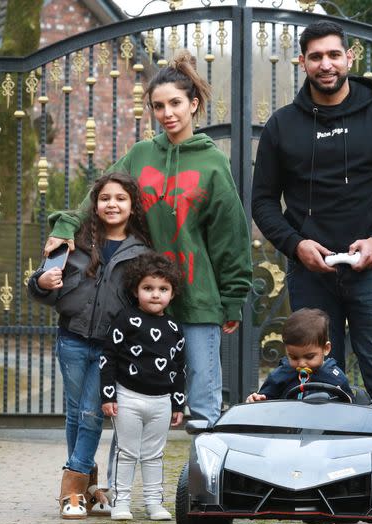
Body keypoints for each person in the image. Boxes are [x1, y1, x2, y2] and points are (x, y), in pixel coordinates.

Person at [45, 50, 251, 426]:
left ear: (193, 104)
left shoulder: (212, 163)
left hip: (197, 297)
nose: (168, 113)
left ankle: (204, 482)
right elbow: (100, 195)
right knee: (127, 402)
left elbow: (230, 234)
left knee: (203, 404)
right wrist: (64, 226)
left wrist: (233, 297)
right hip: (138, 297)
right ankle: (118, 485)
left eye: (175, 103)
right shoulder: (140, 155)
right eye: (158, 106)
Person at [251, 21, 372, 424]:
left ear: (349, 58)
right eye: (315, 57)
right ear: (302, 62)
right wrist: (296, 245)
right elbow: (262, 202)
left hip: (371, 271)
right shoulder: (282, 125)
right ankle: (321, 482)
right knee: (315, 384)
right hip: (310, 273)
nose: (325, 64)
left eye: (333, 55)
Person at [28, 172, 151, 519]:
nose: (112, 204)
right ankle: (89, 485)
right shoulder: (71, 243)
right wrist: (43, 281)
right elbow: (38, 286)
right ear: (95, 205)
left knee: (91, 412)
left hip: (111, 347)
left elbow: (146, 297)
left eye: (121, 199)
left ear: (132, 206)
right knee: (75, 413)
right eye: (105, 198)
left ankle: (71, 492)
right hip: (72, 339)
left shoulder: (141, 250)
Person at [99, 252, 185, 521]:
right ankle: (121, 502)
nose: (155, 294)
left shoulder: (174, 328)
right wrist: (108, 395)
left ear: (172, 293)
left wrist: (178, 403)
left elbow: (178, 368)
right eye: (148, 288)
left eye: (163, 289)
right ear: (136, 290)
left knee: (154, 454)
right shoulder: (125, 320)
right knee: (127, 453)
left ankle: (153, 503)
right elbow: (108, 358)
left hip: (161, 401)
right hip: (128, 398)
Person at [246, 308, 353, 402]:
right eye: (294, 357)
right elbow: (264, 401)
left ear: (326, 348)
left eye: (309, 356)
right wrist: (257, 399)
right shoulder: (281, 374)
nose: (301, 364)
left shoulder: (335, 377)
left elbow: (351, 405)